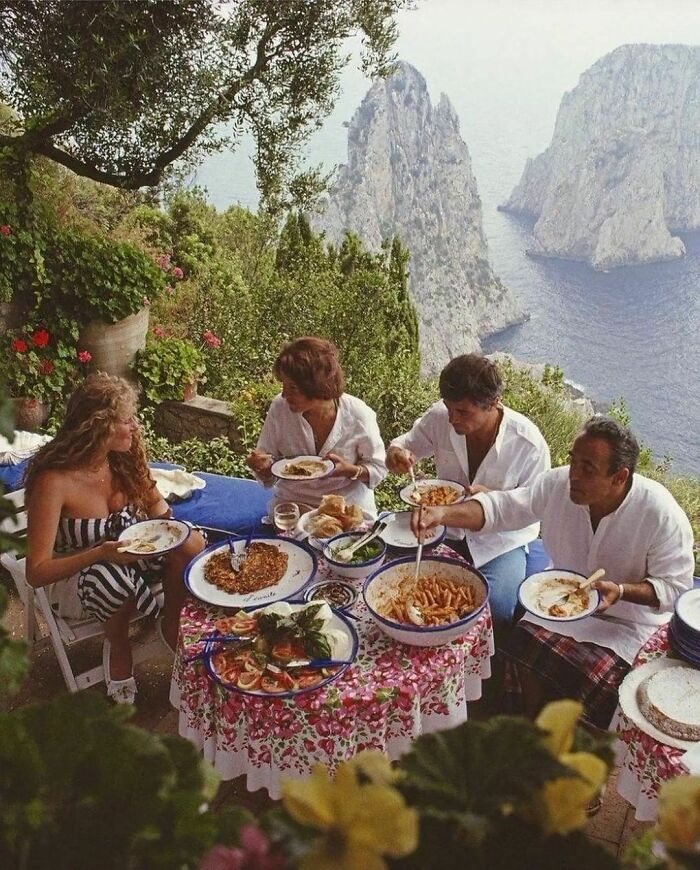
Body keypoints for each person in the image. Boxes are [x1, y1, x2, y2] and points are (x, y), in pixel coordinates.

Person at [412, 416, 695, 729]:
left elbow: (675, 589)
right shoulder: (557, 485)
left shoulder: (659, 514)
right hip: (557, 602)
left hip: (627, 624)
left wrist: (621, 591)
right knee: (520, 642)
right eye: (574, 461)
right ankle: (531, 723)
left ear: (619, 477)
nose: (574, 475)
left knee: (601, 680)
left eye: (588, 469)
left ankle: (575, 734)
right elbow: (502, 508)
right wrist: (442, 513)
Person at [24, 373, 206, 705]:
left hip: (128, 557)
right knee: (113, 579)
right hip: (76, 575)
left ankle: (172, 623)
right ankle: (119, 645)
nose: (136, 426)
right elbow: (36, 572)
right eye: (127, 420)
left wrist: (173, 532)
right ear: (99, 426)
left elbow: (161, 513)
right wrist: (100, 553)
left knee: (190, 543)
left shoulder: (122, 459)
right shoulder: (54, 482)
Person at [386, 354, 550, 631]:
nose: (452, 419)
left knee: (496, 608)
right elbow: (406, 444)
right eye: (449, 408)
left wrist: (492, 498)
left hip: (500, 542)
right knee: (403, 586)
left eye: (463, 412)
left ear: (494, 403)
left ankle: (487, 659)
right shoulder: (440, 417)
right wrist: (396, 454)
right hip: (445, 531)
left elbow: (534, 507)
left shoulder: (528, 444)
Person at [247, 337, 387, 517]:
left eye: (293, 387)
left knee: (342, 535)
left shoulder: (358, 415)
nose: (284, 394)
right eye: (284, 385)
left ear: (317, 386)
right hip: (294, 506)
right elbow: (269, 465)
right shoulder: (280, 408)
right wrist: (262, 466)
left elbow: (379, 469)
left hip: (346, 510)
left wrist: (350, 470)